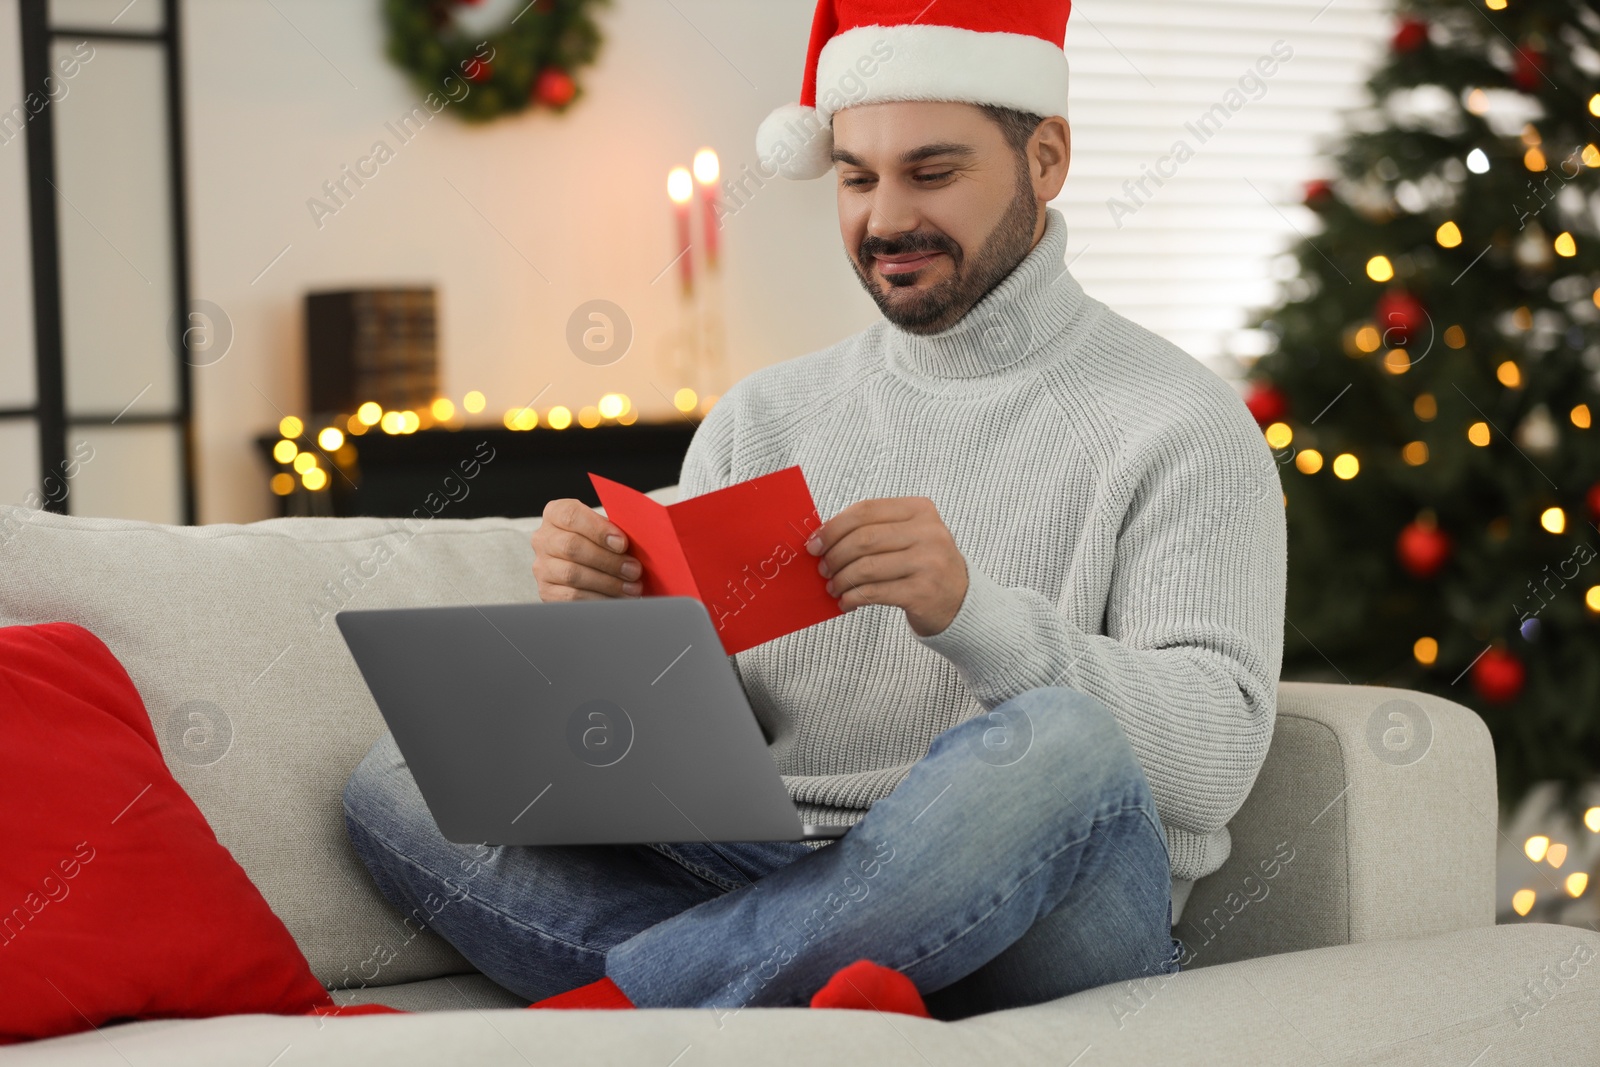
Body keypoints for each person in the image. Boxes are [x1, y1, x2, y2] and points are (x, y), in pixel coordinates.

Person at [344, 0, 1286, 1021]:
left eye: (933, 172)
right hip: (765, 863)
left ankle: (645, 998)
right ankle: (811, 982)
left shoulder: (1178, 419)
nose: (883, 219)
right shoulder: (768, 412)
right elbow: (712, 742)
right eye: (854, 175)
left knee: (1058, 741)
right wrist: (614, 621)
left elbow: (1214, 762)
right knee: (395, 774)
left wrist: (974, 614)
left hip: (1038, 902)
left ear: (1045, 157)